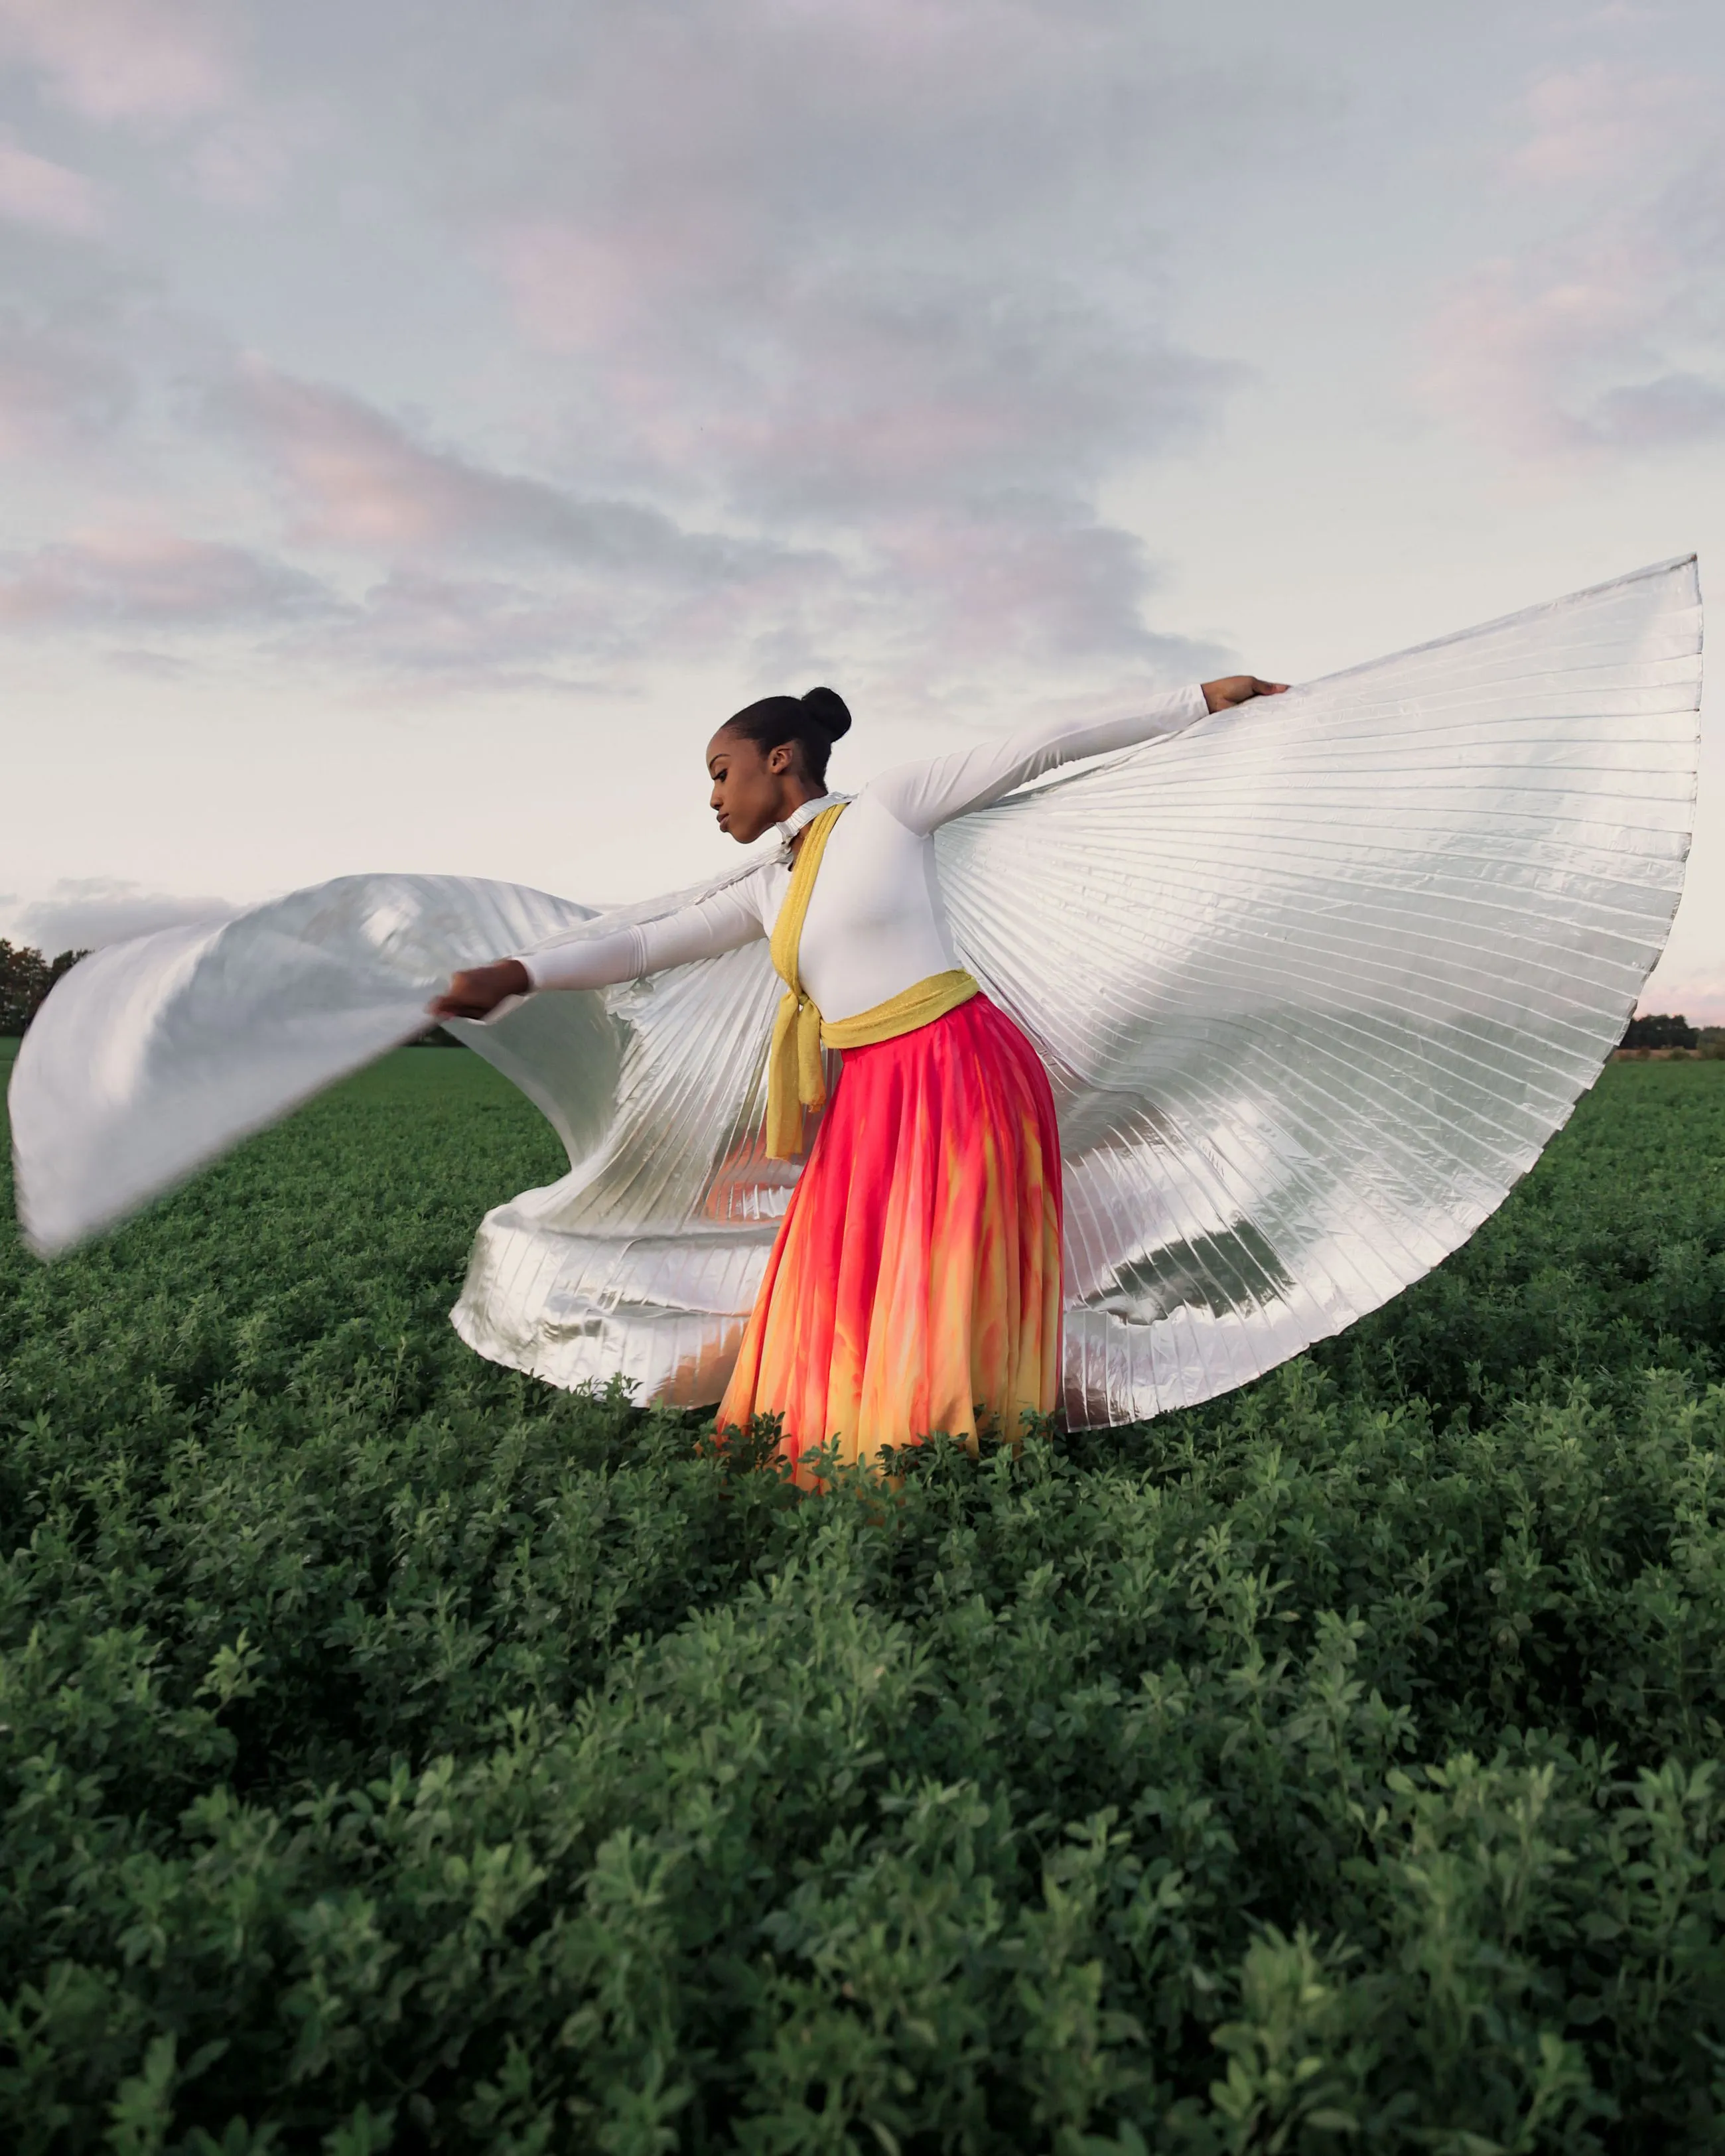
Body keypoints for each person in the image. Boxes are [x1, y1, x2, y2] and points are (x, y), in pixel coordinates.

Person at [430, 673, 1286, 1479]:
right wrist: (521, 974)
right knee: (842, 1272)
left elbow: (1041, 745)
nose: (714, 798)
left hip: (957, 1064)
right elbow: (646, 945)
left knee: (942, 1271)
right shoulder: (769, 886)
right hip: (868, 1091)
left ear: (779, 759)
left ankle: (941, 1452)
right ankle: (857, 1440)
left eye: (722, 773)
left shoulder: (889, 811)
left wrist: (1195, 700)